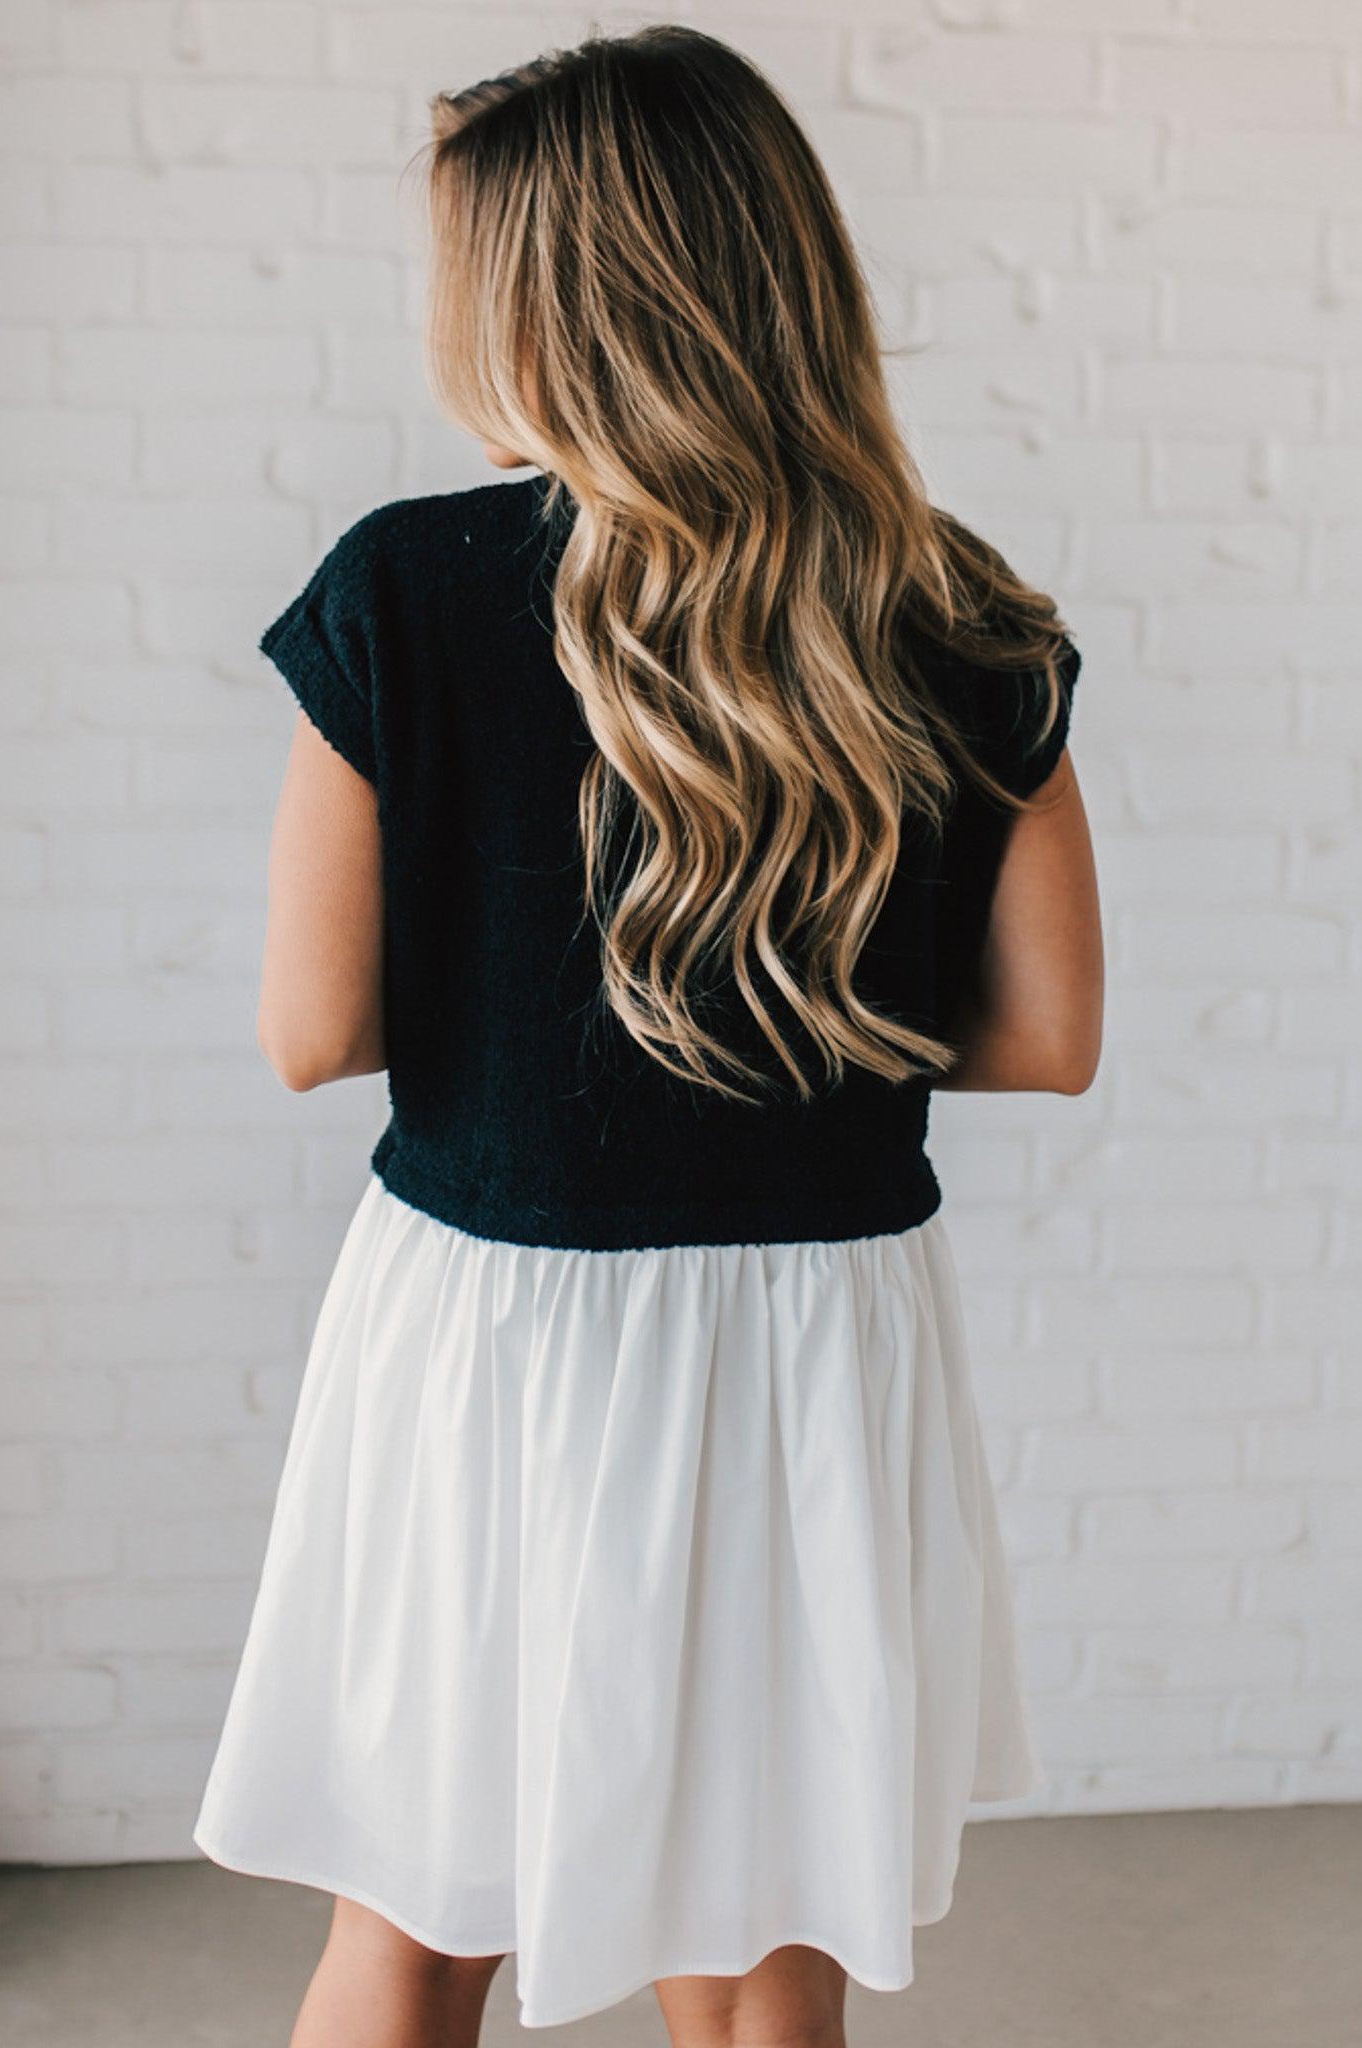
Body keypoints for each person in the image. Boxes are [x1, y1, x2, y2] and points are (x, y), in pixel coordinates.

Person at [192, 24, 1104, 2048]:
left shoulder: (402, 589)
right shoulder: (960, 616)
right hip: (809, 1339)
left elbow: (308, 1027)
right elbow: (1046, 1039)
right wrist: (783, 1026)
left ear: (541, 296)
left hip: (500, 1324)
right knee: (760, 1918)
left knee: (415, 1915)